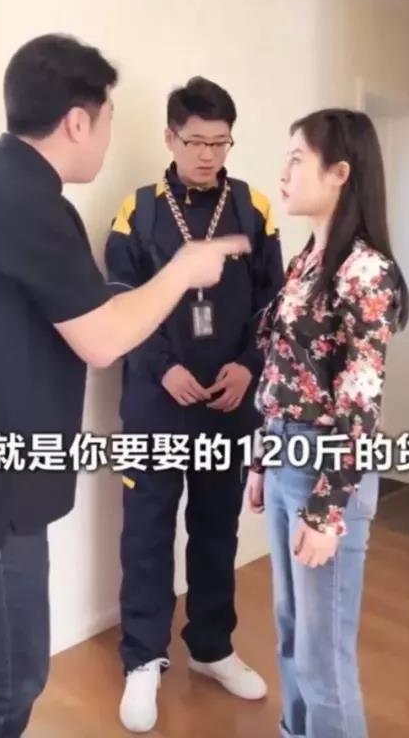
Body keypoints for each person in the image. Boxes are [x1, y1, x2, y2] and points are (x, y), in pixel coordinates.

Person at [0, 33, 251, 738]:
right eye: (107, 119)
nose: (106, 135)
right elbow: (101, 340)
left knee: (4, 677)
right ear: (77, 120)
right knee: (3, 687)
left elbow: (75, 313)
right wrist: (182, 271)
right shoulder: (27, 203)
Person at [104, 77, 284, 732]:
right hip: (156, 403)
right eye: (196, 141)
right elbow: (118, 301)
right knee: (146, 533)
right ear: (170, 138)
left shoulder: (253, 208)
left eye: (220, 142)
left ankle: (211, 647)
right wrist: (163, 367)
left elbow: (273, 306)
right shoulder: (138, 211)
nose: (208, 154)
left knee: (215, 528)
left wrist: (248, 366)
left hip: (226, 404)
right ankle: (143, 658)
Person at [246, 109, 408, 738]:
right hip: (286, 455)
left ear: (340, 172)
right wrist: (261, 459)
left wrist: (327, 510)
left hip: (327, 469)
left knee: (323, 657)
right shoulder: (306, 261)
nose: (284, 171)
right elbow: (283, 372)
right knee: (291, 634)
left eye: (297, 158)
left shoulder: (365, 270)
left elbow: (360, 405)